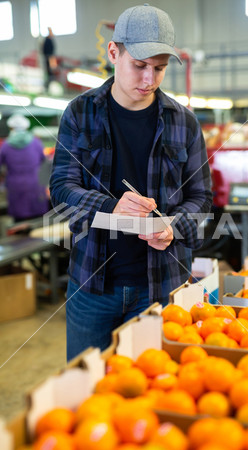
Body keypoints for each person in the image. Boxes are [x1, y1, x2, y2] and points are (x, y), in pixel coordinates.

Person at [49, 4, 213, 361]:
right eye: (139, 65)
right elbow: (62, 188)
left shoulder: (183, 122)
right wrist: (111, 205)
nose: (149, 79)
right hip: (92, 286)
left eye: (159, 68)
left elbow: (202, 198)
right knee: (86, 390)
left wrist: (173, 226)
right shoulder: (80, 113)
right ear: (113, 52)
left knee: (154, 388)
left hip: (162, 286)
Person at [0, 114, 49, 222]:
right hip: (35, 183)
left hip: (15, 186)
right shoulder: (36, 142)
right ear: (26, 127)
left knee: (20, 222)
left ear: (11, 128)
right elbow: (44, 161)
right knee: (38, 220)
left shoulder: (5, 145)